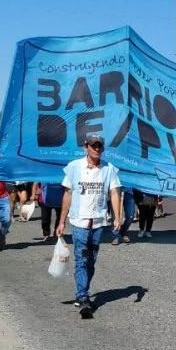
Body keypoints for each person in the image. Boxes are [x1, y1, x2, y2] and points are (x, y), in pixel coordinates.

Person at [56, 134, 121, 319]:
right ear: (86, 147)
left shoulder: (109, 169)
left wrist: (117, 217)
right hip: (79, 221)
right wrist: (61, 222)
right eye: (93, 146)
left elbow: (114, 193)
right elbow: (68, 195)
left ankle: (83, 289)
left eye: (100, 146)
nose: (97, 149)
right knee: (82, 258)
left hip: (99, 221)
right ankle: (83, 297)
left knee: (91, 260)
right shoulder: (74, 167)